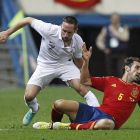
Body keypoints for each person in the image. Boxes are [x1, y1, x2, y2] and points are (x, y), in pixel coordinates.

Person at [0, 16, 100, 126]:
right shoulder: (48, 29)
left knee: (82, 88)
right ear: (61, 26)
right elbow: (27, 20)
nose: (65, 35)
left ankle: (99, 115)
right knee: (29, 96)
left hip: (66, 65)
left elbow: (78, 61)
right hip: (45, 65)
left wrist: (85, 74)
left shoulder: (78, 40)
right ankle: (34, 109)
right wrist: (7, 33)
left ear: (75, 31)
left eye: (69, 32)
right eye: (64, 31)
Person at [32, 43, 140, 130]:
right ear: (127, 68)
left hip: (109, 120)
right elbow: (84, 80)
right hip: (95, 112)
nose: (139, 71)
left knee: (107, 124)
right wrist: (86, 61)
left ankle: (65, 127)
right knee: (59, 104)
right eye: (137, 67)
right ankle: (53, 126)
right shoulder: (110, 80)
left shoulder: (138, 90)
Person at [96, 13, 130, 78]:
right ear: (111, 19)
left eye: (116, 18)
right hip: (110, 53)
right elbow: (99, 40)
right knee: (110, 71)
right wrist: (104, 48)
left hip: (121, 53)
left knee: (121, 71)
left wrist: (115, 32)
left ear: (119, 19)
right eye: (113, 18)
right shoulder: (106, 28)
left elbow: (125, 38)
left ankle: (121, 85)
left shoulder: (123, 27)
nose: (115, 20)